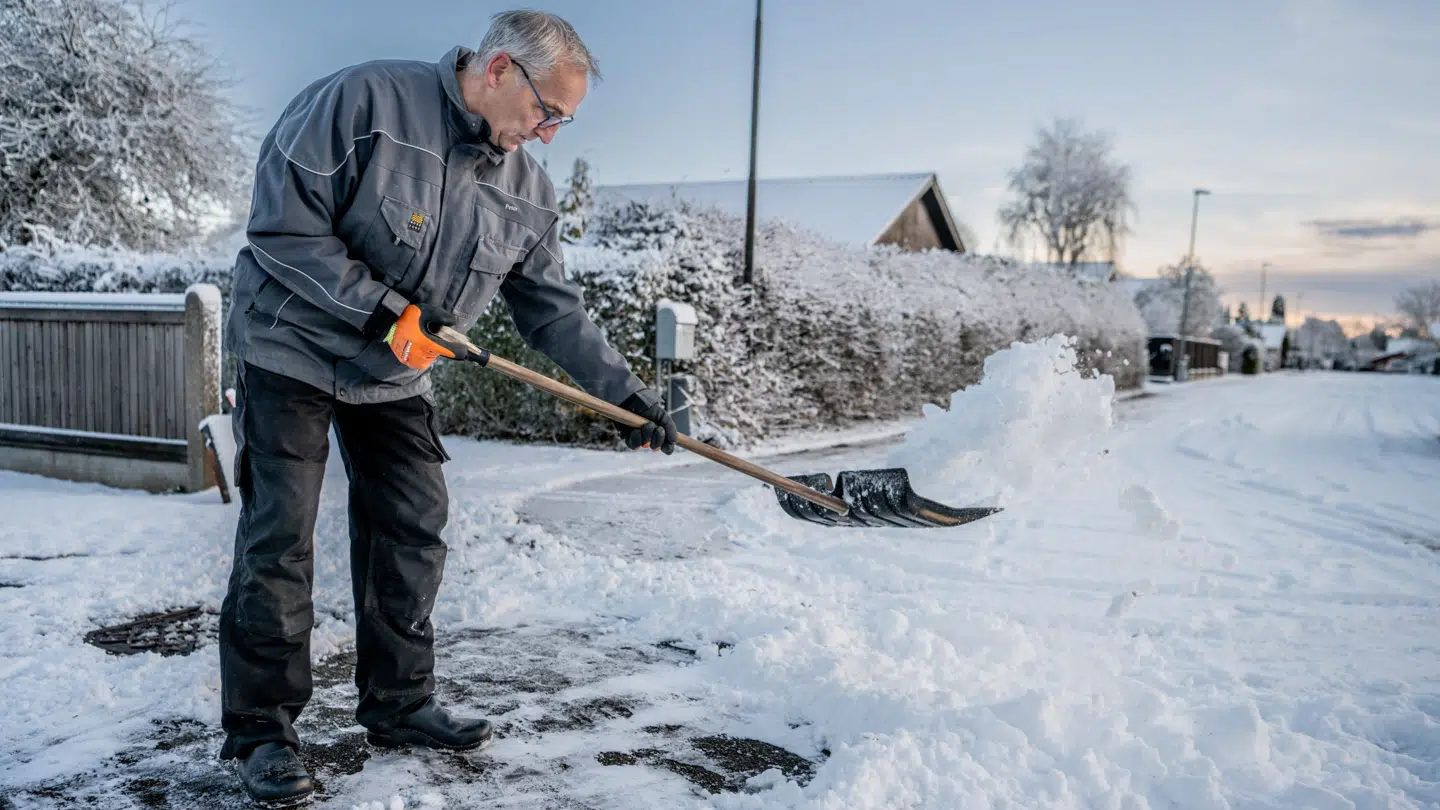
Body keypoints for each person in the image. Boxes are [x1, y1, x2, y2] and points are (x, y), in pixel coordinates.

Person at [218, 10, 676, 806]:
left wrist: (628, 396)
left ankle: (398, 704)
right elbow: (281, 231)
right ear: (499, 70)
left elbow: (553, 310)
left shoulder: (526, 190)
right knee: (279, 537)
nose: (549, 134)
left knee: (413, 527)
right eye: (547, 112)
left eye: (563, 120)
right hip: (290, 343)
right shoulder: (364, 103)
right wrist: (384, 310)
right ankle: (262, 732)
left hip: (393, 373)